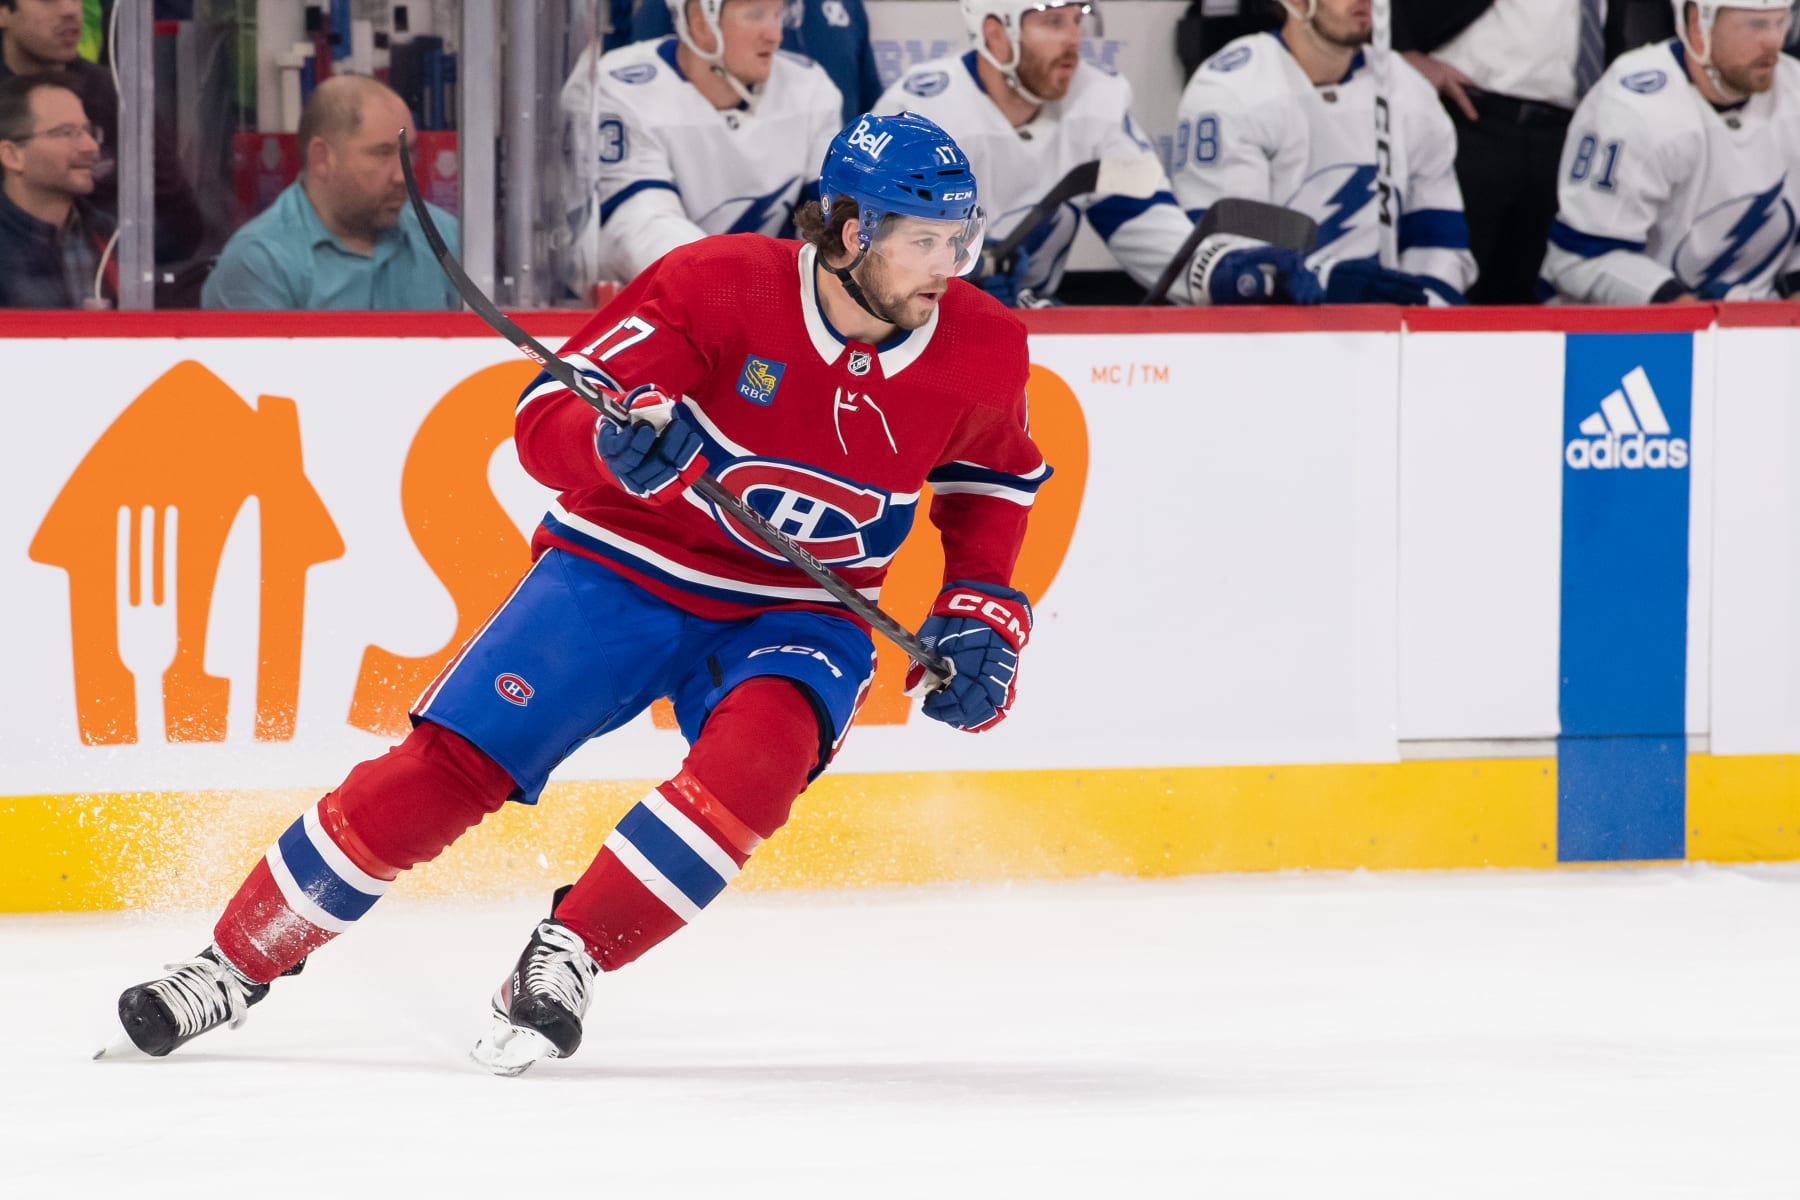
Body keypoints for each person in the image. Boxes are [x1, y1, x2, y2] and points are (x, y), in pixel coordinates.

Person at [111, 111, 1052, 1077]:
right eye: (927, 243)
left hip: (804, 611)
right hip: (627, 565)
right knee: (448, 769)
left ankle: (567, 956)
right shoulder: (716, 284)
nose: (951, 268)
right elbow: (545, 414)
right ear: (853, 233)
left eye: (960, 240)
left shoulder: (982, 345)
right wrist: (608, 444)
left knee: (756, 771)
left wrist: (982, 610)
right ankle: (231, 964)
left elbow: (994, 483)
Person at [874, 0, 1201, 307]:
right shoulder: (917, 112)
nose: (1074, 39)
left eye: (1077, 20)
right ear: (997, 34)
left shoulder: (1096, 100)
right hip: (923, 328)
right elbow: (864, 251)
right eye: (1053, 21)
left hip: (1034, 329)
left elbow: (1150, 225)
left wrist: (1224, 271)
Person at [1171, 0, 1478, 306]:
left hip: (1382, 339)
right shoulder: (1232, 90)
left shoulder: (1408, 90)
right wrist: (1325, 283)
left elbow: (1438, 241)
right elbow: (1229, 260)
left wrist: (1420, 313)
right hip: (1271, 337)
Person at [553, 0, 843, 296]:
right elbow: (640, 226)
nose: (775, 35)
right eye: (756, 15)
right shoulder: (615, 86)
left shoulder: (810, 88)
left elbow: (827, 222)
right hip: (654, 313)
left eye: (778, 15)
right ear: (701, 23)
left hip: (761, 304)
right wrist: (741, 293)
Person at [1539, 0, 1800, 304]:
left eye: (1780, 22)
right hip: (1635, 332)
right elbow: (1579, 259)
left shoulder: (1794, 92)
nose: (1774, 41)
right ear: (1698, 27)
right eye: (1756, 25)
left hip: (1755, 326)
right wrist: (1686, 316)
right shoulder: (1632, 107)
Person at [1394, 0, 1618, 304]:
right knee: (1446, 287)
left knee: (1531, 303)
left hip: (1568, 135)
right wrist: (1398, 48)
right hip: (1472, 118)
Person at [201, 74, 459, 310]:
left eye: (409, 152)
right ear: (322, 158)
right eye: (382, 153)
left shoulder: (445, 237)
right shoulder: (259, 263)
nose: (403, 176)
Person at [0, 0, 204, 265]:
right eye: (48, 0)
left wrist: (95, 229)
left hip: (94, 276)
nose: (70, 10)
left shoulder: (112, 93)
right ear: (4, 13)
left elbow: (180, 229)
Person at [631, 0, 881, 123]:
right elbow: (649, 86)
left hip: (821, 180)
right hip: (710, 177)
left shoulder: (847, 5)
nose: (775, 35)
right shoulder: (678, 7)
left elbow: (867, 103)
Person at [0, 72, 112, 307]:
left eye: (89, 132)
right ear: (12, 155)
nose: (91, 147)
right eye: (66, 133)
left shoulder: (109, 233)